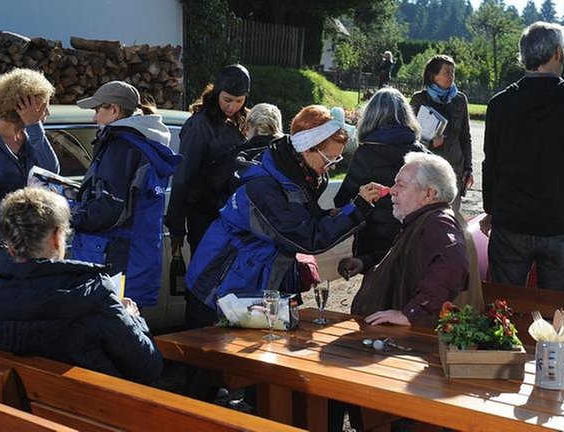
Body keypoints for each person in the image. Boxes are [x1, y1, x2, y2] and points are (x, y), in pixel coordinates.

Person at [185, 105, 385, 328]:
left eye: (336, 161)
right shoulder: (264, 186)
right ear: (307, 148)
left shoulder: (296, 174)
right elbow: (305, 236)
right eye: (328, 160)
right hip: (220, 287)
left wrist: (348, 210)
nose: (330, 168)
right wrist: (357, 210)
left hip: (249, 284)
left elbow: (309, 221)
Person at [0, 187, 163, 386]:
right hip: (87, 412)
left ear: (10, 245)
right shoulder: (93, 295)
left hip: (11, 412)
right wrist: (131, 318)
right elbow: (149, 367)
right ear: (57, 237)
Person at [480, 21, 564, 292]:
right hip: (560, 227)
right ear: (556, 52)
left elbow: (490, 165)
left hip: (511, 225)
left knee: (504, 312)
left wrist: (490, 210)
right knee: (557, 319)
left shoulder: (499, 104)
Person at [70, 80, 182, 308]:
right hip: (138, 258)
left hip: (115, 259)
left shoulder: (121, 148)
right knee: (129, 330)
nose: (94, 118)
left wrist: (70, 215)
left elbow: (109, 211)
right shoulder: (145, 144)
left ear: (114, 110)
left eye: (97, 109)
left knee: (107, 334)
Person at [345, 152, 469, 327]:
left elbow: (453, 265)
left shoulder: (438, 222)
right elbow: (407, 261)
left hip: (405, 342)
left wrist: (409, 313)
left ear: (429, 194)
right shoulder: (423, 220)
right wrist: (364, 262)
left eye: (400, 185)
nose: (392, 190)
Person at [0, 68, 59, 280]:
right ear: (22, 105)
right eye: (42, 105)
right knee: (1, 308)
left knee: (36, 308)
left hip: (33, 241)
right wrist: (21, 226)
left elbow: (51, 172)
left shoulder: (31, 137)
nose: (47, 112)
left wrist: (35, 127)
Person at [334, 88, 428, 277]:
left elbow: (343, 199)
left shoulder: (367, 154)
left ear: (370, 117)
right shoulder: (423, 154)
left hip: (374, 247)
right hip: (413, 242)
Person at [166, 64, 250, 257]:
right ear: (217, 93)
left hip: (234, 219)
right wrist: (176, 226)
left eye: (239, 101)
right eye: (227, 100)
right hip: (204, 219)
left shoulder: (240, 123)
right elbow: (182, 177)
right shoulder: (199, 125)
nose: (232, 106)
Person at [410, 55, 473, 212]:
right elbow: (410, 136)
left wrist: (469, 168)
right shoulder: (419, 99)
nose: (451, 77)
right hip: (427, 168)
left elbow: (465, 136)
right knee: (426, 214)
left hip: (455, 169)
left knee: (450, 215)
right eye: (447, 72)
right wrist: (430, 144)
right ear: (433, 75)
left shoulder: (460, 99)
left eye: (453, 73)